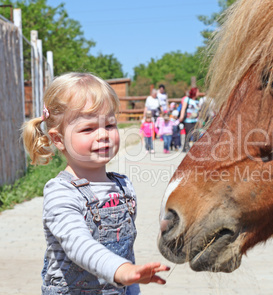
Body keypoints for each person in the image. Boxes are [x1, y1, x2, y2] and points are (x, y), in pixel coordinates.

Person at [21, 72, 169, 294]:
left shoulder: (123, 186)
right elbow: (78, 245)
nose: (103, 135)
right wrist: (121, 270)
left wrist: (131, 284)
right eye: (88, 129)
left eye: (109, 125)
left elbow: (126, 252)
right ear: (58, 139)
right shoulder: (61, 192)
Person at [179, 87, 200, 152]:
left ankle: (195, 147)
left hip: (195, 120)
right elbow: (183, 108)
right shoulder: (187, 99)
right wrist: (181, 117)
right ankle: (185, 147)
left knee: (196, 134)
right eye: (198, 92)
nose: (199, 93)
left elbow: (198, 111)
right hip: (188, 120)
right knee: (188, 134)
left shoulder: (197, 101)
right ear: (194, 92)